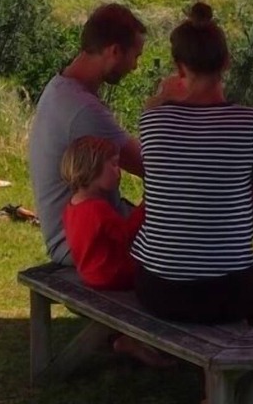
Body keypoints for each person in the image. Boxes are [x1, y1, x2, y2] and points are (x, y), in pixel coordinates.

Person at [130, 2, 253, 404]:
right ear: (228, 63)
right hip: (225, 293)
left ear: (178, 67)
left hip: (157, 288)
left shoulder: (153, 121)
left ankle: (228, 388)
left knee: (244, 272)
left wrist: (160, 96)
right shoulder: (250, 122)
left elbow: (164, 147)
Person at [27, 3, 149, 266]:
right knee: (192, 243)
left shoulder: (60, 87)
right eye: (135, 57)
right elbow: (148, 166)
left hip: (80, 231)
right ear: (114, 51)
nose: (135, 67)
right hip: (84, 244)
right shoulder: (82, 109)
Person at [59, 135, 170, 368]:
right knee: (161, 275)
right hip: (113, 276)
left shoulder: (72, 206)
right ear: (92, 168)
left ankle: (128, 341)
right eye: (113, 164)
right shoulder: (98, 209)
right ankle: (155, 339)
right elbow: (126, 234)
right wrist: (146, 206)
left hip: (89, 274)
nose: (118, 171)